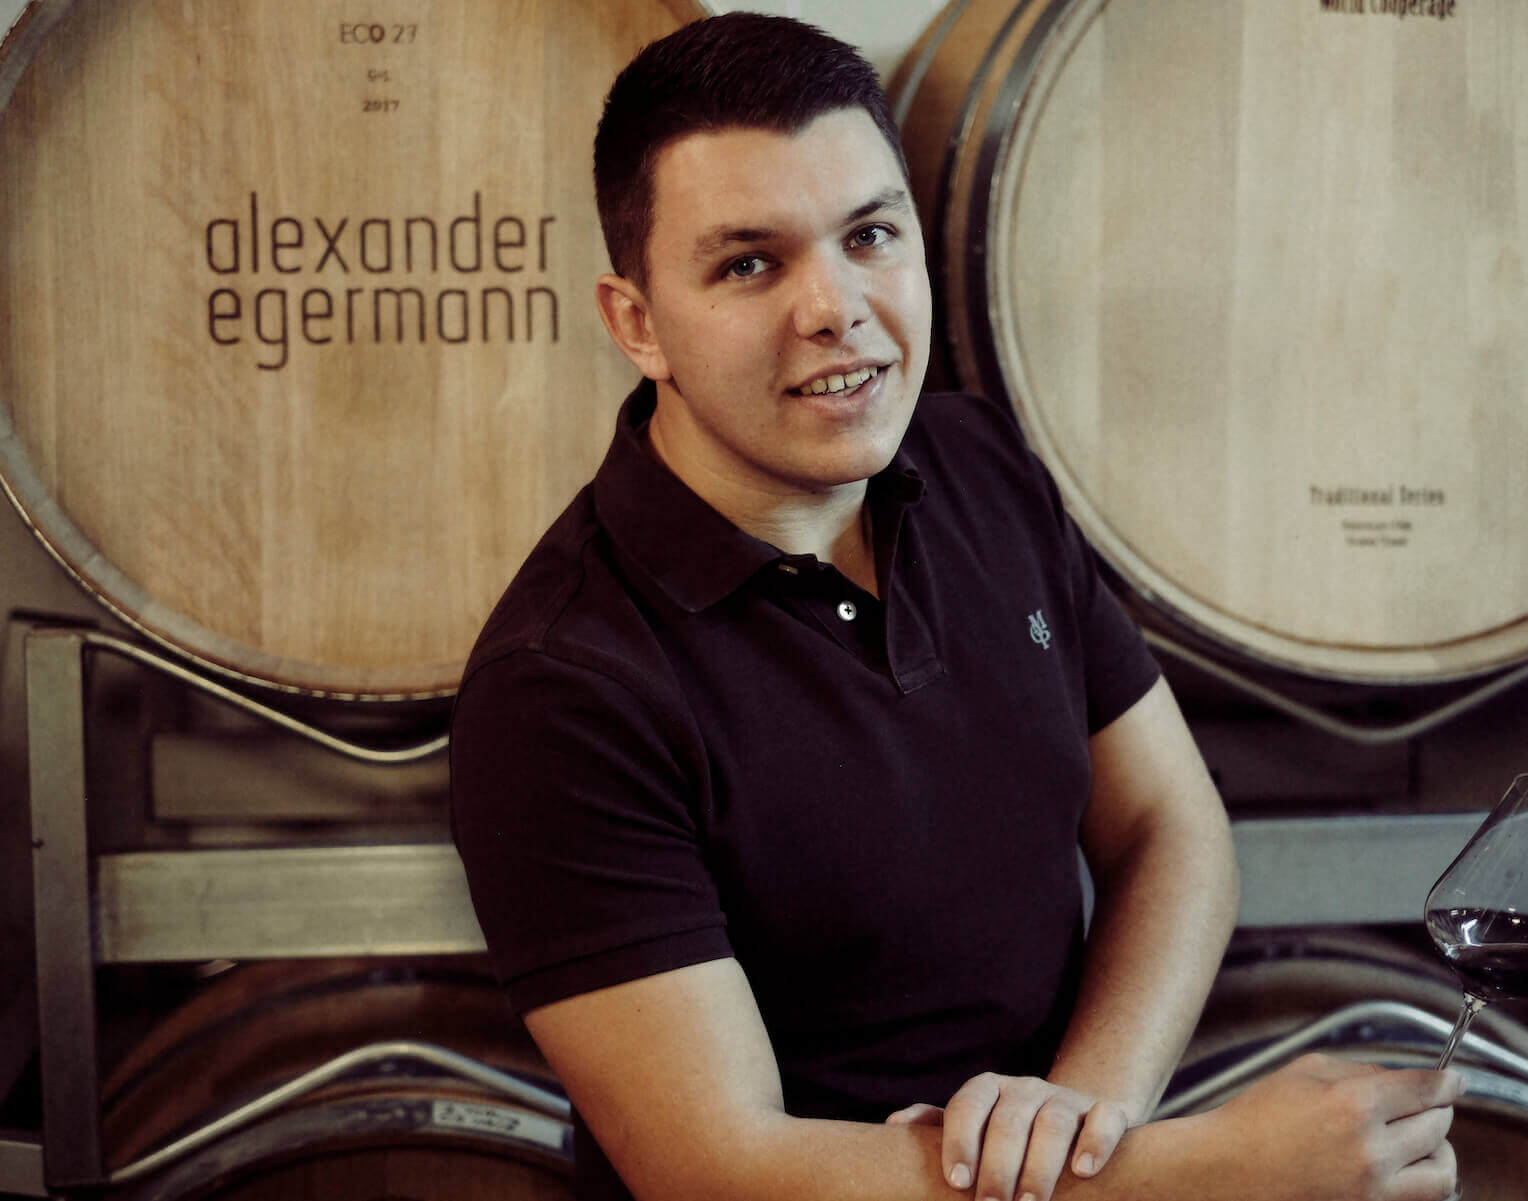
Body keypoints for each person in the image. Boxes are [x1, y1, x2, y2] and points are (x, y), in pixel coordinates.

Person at [448, 13, 1461, 1201]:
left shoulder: (977, 461)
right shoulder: (562, 684)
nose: (835, 306)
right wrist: (1202, 1173)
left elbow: (1167, 828)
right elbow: (718, 1167)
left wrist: (1084, 1115)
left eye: (869, 234)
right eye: (749, 264)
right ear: (637, 323)